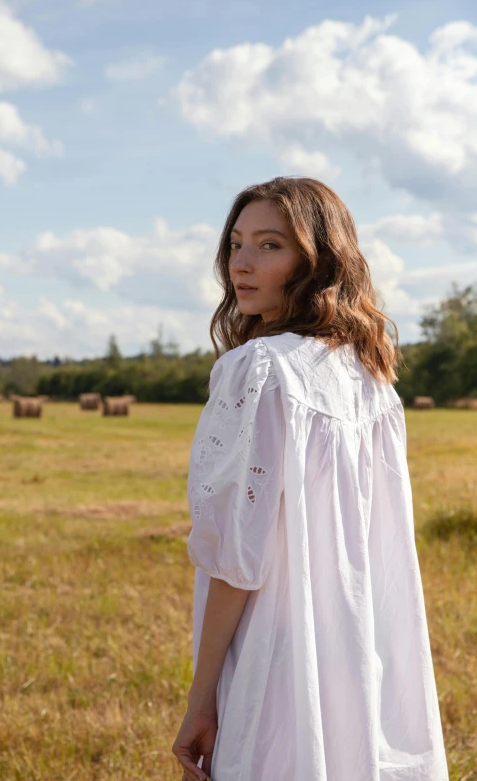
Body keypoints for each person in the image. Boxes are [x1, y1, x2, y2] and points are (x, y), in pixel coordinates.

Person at [171, 177, 449, 781]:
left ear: (318, 261)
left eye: (270, 245)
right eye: (236, 244)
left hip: (278, 654)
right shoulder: (374, 379)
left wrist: (203, 698)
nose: (241, 264)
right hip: (359, 653)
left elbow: (236, 560)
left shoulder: (259, 368)